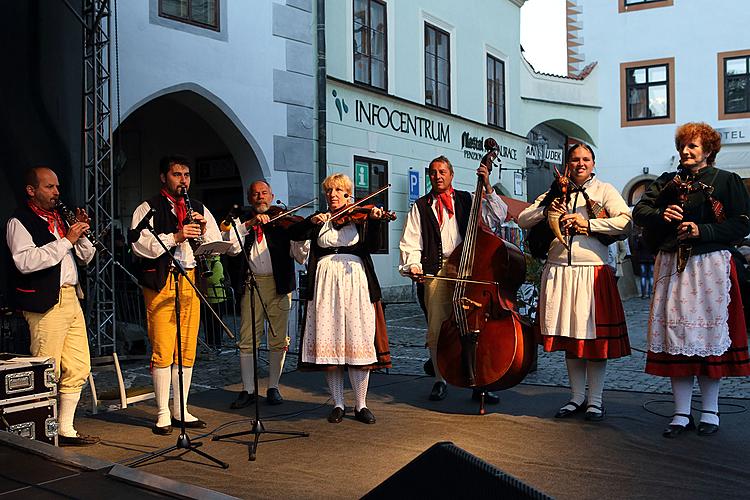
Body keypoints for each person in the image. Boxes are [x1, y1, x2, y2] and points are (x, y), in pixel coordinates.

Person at [633, 122, 750, 437]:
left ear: (708, 150)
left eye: (693, 146)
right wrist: (661, 215)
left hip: (710, 267)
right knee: (677, 340)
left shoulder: (727, 181)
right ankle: (681, 414)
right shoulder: (667, 181)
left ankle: (710, 412)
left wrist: (704, 230)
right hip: (672, 265)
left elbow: (742, 224)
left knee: (709, 343)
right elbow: (640, 210)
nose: (685, 151)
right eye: (683, 146)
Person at [517, 143, 632, 421]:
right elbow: (522, 219)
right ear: (568, 164)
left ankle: (595, 400)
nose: (581, 164)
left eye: (586, 159)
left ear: (593, 163)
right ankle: (576, 397)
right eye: (576, 159)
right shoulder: (556, 191)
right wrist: (547, 209)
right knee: (571, 339)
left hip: (591, 271)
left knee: (593, 340)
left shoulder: (604, 190)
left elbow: (625, 222)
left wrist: (588, 225)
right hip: (560, 272)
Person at [399, 155, 508, 403]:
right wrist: (413, 265)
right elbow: (411, 240)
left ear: (451, 175)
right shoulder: (421, 205)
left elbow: (497, 216)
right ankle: (440, 379)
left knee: (473, 326)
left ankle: (478, 382)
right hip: (436, 270)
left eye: (442, 172)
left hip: (468, 269)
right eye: (433, 172)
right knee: (437, 326)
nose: (437, 176)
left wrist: (488, 186)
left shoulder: (467, 199)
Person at [6, 166, 100, 446]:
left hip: (71, 298)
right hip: (46, 302)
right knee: (48, 370)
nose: (57, 192)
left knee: (79, 365)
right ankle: (42, 432)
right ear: (31, 190)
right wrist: (66, 240)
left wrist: (81, 235)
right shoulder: (19, 221)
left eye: (57, 187)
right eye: (49, 187)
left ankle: (65, 429)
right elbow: (26, 262)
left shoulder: (60, 218)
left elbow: (86, 258)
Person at [288, 173, 391, 424]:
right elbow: (293, 231)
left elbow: (373, 247)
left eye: (337, 190)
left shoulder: (359, 217)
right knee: (330, 344)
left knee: (358, 341)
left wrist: (376, 221)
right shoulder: (319, 220)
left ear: (348, 194)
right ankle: (337, 403)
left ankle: (361, 404)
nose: (332, 195)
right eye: (329, 191)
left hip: (355, 282)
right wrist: (312, 220)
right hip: (325, 285)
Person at [130, 155, 222, 435]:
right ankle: (161, 413)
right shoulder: (148, 208)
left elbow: (216, 247)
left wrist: (203, 234)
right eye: (176, 174)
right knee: (162, 348)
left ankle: (180, 408)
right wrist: (177, 236)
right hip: (162, 280)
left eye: (186, 175)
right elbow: (139, 243)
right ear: (163, 177)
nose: (183, 180)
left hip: (190, 279)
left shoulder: (198, 207)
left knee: (186, 349)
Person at [224, 180, 309, 408]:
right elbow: (231, 247)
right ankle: (248, 389)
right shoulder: (241, 222)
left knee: (278, 338)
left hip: (278, 284)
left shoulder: (283, 221)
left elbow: (300, 257)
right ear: (250, 198)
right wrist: (250, 223)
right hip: (251, 284)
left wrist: (301, 237)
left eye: (264, 193)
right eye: (255, 194)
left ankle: (273, 386)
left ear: (271, 196)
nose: (260, 197)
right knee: (247, 339)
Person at [629, 226, 655, 299]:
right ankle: (650, 293)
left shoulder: (639, 237)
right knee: (650, 276)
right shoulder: (651, 238)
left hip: (642, 259)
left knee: (643, 276)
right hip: (651, 258)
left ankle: (643, 294)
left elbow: (636, 247)